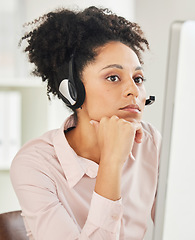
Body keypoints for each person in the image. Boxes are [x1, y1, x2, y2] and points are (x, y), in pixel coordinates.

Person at [10, 6, 161, 240]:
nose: (133, 91)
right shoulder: (36, 164)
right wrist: (111, 162)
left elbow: (184, 221)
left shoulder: (150, 142)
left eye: (138, 79)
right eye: (113, 77)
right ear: (73, 91)